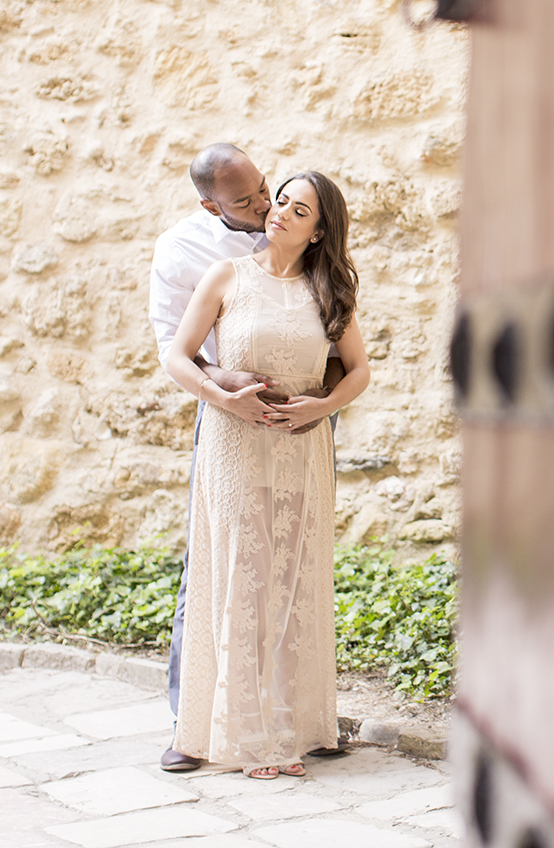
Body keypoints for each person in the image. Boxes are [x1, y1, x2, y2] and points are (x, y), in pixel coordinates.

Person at [161, 170, 370, 778]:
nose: (279, 213)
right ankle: (241, 735)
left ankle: (287, 726)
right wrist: (219, 396)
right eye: (280, 201)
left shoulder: (330, 291)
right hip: (233, 446)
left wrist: (322, 407)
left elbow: (357, 372)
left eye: (298, 210)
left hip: (300, 452)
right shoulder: (226, 274)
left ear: (318, 229)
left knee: (293, 584)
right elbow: (177, 354)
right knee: (239, 582)